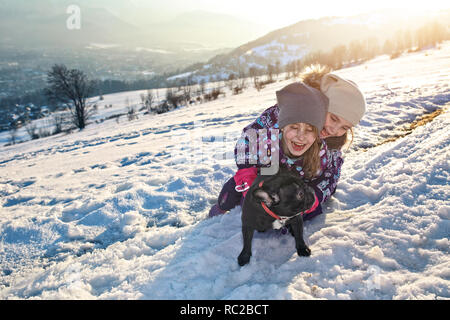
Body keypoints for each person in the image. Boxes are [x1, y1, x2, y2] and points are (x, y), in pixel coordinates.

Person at [209, 65, 366, 221]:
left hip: (290, 182)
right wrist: (247, 169)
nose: (334, 129)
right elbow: (250, 136)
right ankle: (218, 213)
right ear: (321, 104)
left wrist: (315, 196)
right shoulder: (288, 112)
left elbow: (331, 176)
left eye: (344, 127)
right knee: (234, 192)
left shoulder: (332, 143)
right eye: (333, 118)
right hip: (262, 169)